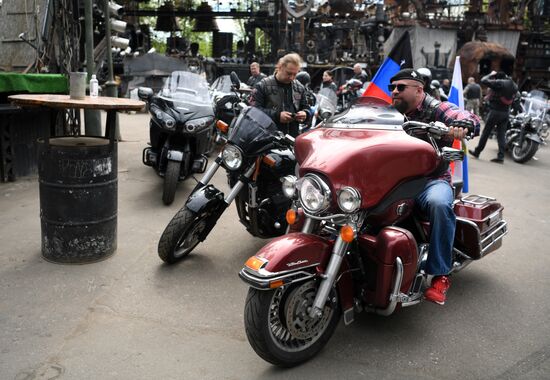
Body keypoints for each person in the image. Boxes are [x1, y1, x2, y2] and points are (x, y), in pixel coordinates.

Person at [389, 68, 480, 305]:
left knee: (440, 204)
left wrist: (464, 124)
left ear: (419, 90)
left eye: (401, 87)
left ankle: (440, 274)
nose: (394, 92)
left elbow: (468, 117)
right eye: (392, 88)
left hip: (431, 180)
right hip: (395, 179)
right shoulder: (390, 112)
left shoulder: (437, 108)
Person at [249, 53, 311, 137]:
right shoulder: (263, 86)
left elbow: (306, 107)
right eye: (289, 73)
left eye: (295, 74)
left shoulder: (299, 87)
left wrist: (305, 114)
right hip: (267, 139)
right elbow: (253, 111)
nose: (292, 77)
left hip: (291, 139)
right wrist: (277, 116)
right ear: (280, 67)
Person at [469, 71, 518, 163]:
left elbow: (484, 80)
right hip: (505, 113)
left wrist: (491, 74)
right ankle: (501, 157)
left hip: (495, 112)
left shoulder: (500, 83)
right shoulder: (514, 85)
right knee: (501, 135)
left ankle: (477, 151)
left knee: (486, 133)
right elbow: (516, 97)